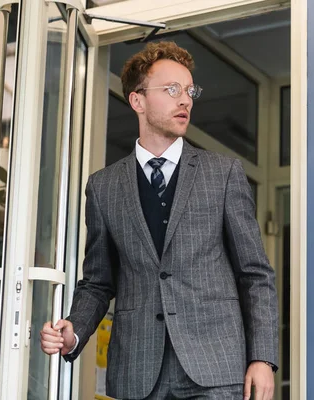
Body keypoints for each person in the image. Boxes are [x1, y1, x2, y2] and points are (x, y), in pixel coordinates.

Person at [40, 41, 279, 400]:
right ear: (138, 100)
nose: (185, 100)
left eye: (189, 91)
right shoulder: (104, 187)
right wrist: (73, 332)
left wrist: (262, 358)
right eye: (172, 90)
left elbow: (255, 274)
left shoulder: (223, 174)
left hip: (215, 370)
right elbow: (98, 281)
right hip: (138, 373)